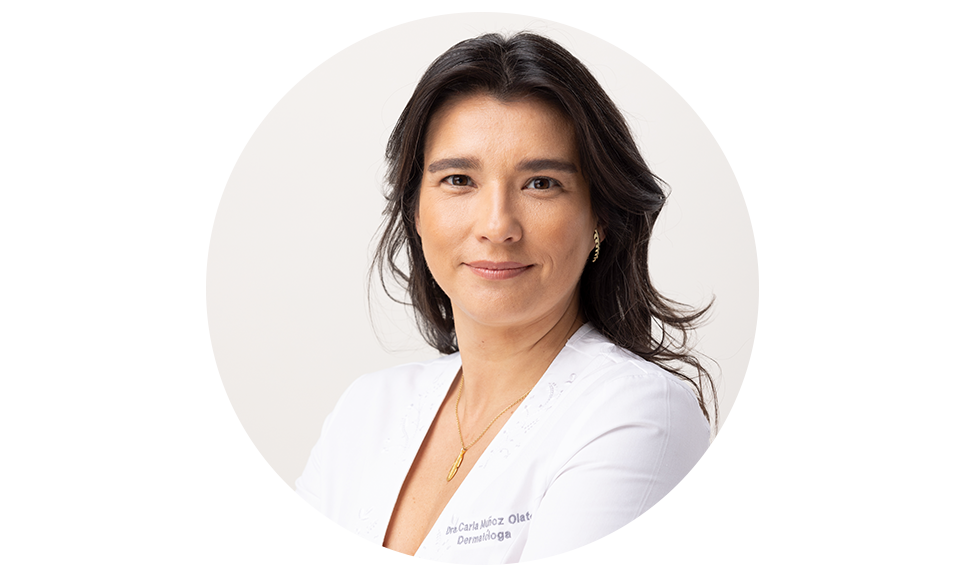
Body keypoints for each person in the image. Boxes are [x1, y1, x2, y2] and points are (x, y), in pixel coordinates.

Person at [261, 31, 718, 566]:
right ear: (415, 210)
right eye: (459, 179)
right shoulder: (366, 412)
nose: (497, 225)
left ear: (599, 215)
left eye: (541, 183)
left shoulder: (636, 416)